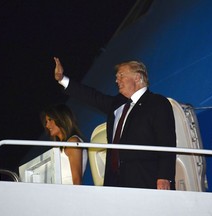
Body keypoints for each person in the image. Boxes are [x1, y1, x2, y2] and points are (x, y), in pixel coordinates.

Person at [53, 57, 176, 190]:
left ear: (137, 77)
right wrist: (62, 79)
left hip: (146, 180)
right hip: (115, 183)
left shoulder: (157, 103)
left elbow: (167, 141)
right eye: (116, 77)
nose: (117, 80)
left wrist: (165, 176)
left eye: (121, 75)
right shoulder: (117, 104)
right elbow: (91, 96)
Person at [41, 104, 88, 185]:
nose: (47, 125)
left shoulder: (73, 143)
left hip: (67, 194)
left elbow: (77, 180)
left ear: (61, 118)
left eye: (50, 120)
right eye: (46, 122)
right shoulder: (61, 146)